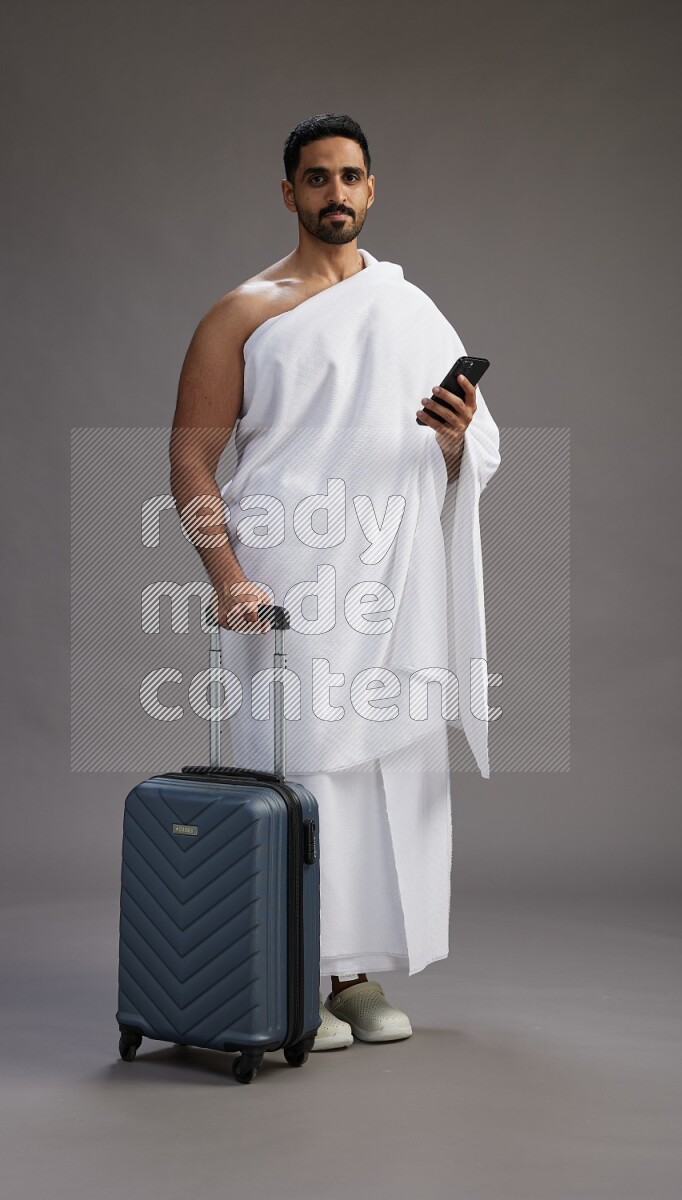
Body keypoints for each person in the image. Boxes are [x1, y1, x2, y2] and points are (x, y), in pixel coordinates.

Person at [169, 113, 500, 1051]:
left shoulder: (409, 307)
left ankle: (352, 976)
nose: (337, 194)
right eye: (317, 179)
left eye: (352, 177)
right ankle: (290, 968)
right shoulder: (244, 311)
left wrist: (449, 441)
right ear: (289, 193)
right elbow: (191, 464)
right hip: (285, 575)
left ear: (372, 188)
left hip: (390, 577)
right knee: (297, 767)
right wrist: (227, 575)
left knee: (384, 769)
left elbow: (461, 452)